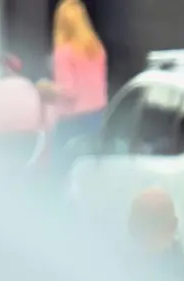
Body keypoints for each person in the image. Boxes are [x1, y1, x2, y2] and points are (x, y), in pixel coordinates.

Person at [41, 0, 107, 174]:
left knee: (61, 174)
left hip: (72, 122)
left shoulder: (63, 53)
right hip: (97, 116)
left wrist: (46, 88)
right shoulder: (96, 48)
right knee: (92, 172)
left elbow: (70, 92)